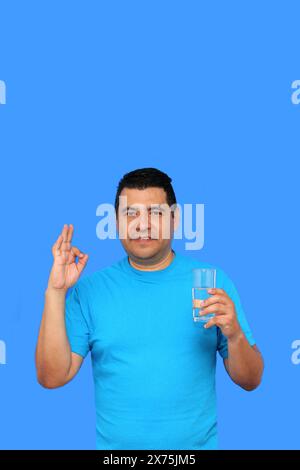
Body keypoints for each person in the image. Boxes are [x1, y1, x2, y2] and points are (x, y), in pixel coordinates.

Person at [35, 167, 264, 450]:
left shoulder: (212, 283)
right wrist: (56, 292)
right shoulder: (90, 290)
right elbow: (52, 376)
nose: (142, 225)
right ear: (116, 221)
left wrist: (236, 336)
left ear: (175, 218)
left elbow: (251, 380)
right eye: (130, 214)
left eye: (155, 213)